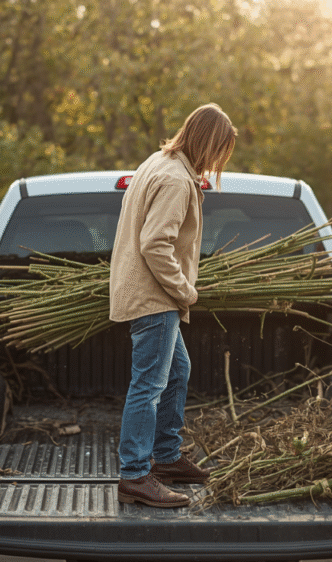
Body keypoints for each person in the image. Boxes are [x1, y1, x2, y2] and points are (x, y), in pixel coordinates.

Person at [109, 103, 237, 508]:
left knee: (178, 370)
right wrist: (185, 291)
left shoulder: (159, 162)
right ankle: (134, 476)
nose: (219, 161)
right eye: (220, 151)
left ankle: (165, 457)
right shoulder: (177, 180)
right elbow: (154, 244)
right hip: (155, 297)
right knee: (148, 385)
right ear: (209, 143)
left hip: (150, 294)